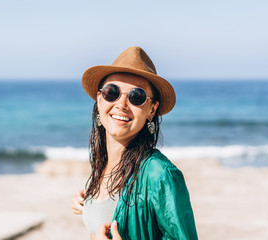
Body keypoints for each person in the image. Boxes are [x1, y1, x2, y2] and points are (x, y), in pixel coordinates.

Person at [72, 46, 198, 240]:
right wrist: (90, 203)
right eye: (112, 92)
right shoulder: (100, 162)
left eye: (136, 97)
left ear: (151, 110)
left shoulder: (160, 174)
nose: (121, 105)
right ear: (99, 99)